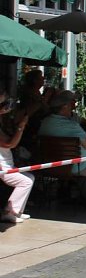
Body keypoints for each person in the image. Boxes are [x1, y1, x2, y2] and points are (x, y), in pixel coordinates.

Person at [38, 90, 86, 208]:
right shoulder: (72, 126)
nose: (73, 106)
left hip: (50, 165)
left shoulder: (45, 122)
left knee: (82, 174)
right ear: (65, 106)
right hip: (76, 166)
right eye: (71, 104)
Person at [0, 89, 33, 223]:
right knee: (26, 181)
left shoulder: (2, 122)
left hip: (7, 162)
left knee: (29, 177)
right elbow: (10, 144)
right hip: (2, 166)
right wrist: (21, 127)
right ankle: (9, 212)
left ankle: (17, 210)